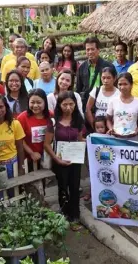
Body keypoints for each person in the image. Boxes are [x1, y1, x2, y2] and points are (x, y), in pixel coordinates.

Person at [43, 91, 84, 230]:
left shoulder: (78, 120)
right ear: (59, 105)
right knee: (62, 188)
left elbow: (80, 138)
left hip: (75, 162)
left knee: (74, 188)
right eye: (64, 104)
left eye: (71, 104)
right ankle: (64, 215)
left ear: (75, 104)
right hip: (59, 162)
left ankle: (75, 217)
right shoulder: (53, 122)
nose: (68, 107)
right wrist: (57, 159)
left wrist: (92, 140)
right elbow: (47, 144)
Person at [76, 37, 115, 113]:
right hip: (87, 104)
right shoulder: (82, 67)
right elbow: (78, 88)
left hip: (104, 104)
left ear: (98, 50)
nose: (90, 52)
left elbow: (114, 87)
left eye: (92, 49)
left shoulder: (108, 66)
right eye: (88, 50)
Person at [17, 89, 50, 172]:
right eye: (32, 102)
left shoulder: (51, 116)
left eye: (39, 102)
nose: (35, 105)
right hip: (28, 159)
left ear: (45, 103)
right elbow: (19, 139)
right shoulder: (22, 118)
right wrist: (31, 153)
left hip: (47, 157)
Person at [106, 72, 138, 141]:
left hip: (132, 140)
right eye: (120, 84)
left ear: (131, 85)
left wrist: (136, 132)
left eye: (125, 84)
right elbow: (108, 119)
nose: (122, 87)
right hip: (116, 138)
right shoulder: (113, 101)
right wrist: (111, 129)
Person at [85, 66, 119, 131]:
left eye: (109, 78)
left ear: (114, 78)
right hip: (98, 127)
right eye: (103, 78)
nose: (105, 81)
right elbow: (88, 108)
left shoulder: (119, 93)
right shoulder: (96, 90)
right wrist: (94, 126)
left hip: (113, 128)